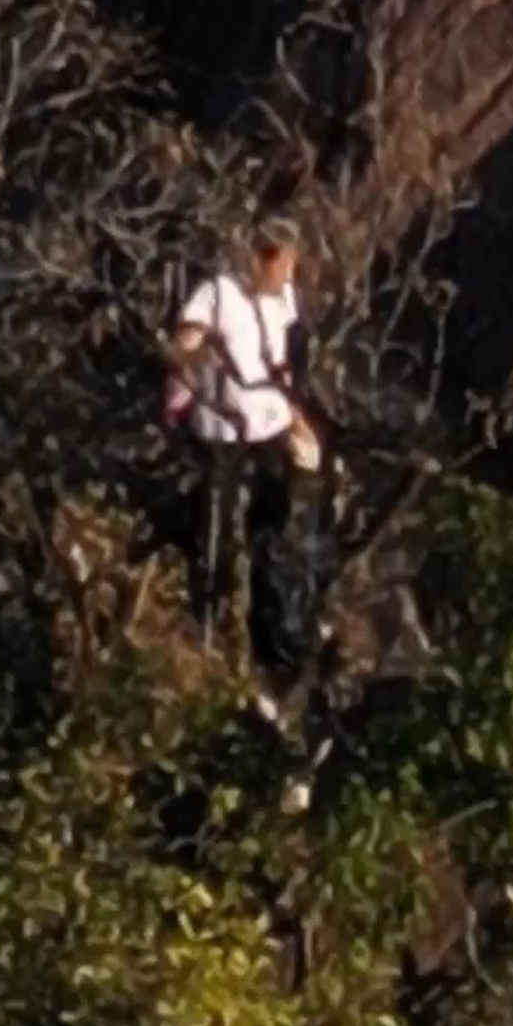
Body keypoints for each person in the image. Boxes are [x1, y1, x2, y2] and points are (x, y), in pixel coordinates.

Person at [166, 215, 328, 681]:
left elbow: (280, 365)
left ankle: (275, 641)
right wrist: (190, 358)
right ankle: (205, 632)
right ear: (262, 257)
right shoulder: (218, 292)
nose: (289, 274)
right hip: (223, 431)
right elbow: (185, 343)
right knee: (213, 532)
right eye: (285, 263)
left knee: (276, 530)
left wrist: (297, 417)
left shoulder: (282, 298)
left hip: (270, 425)